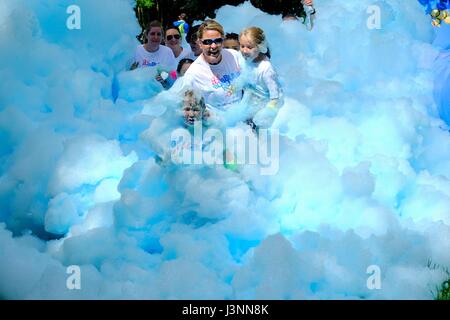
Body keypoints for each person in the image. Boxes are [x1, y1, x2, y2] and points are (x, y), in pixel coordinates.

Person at [183, 20, 243, 110]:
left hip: (242, 118)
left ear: (223, 41)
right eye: (207, 42)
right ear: (200, 43)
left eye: (218, 41)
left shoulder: (234, 56)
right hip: (216, 122)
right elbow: (189, 113)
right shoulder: (193, 74)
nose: (213, 46)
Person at [239, 26, 283, 128]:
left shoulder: (266, 68)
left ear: (260, 47)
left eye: (249, 47)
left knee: (256, 126)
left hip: (264, 103)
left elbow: (275, 97)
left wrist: (267, 112)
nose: (244, 51)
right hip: (251, 98)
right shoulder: (247, 60)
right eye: (242, 46)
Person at [133, 20, 177, 89]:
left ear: (162, 37)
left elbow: (174, 74)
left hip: (161, 92)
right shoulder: (137, 50)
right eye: (152, 34)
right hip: (141, 90)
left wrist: (165, 78)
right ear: (146, 35)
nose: (156, 37)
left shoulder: (167, 52)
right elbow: (128, 76)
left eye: (159, 34)